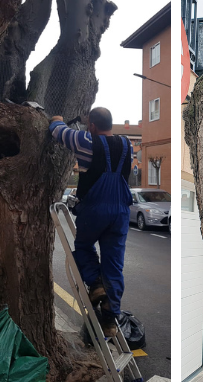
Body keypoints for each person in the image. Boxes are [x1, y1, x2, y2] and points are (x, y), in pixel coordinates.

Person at [49, 107, 132, 336]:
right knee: (114, 264)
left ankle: (96, 286)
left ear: (92, 126)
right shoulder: (127, 144)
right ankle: (110, 319)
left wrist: (57, 117)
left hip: (95, 209)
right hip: (120, 212)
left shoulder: (86, 140)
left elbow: (58, 131)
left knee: (84, 247)